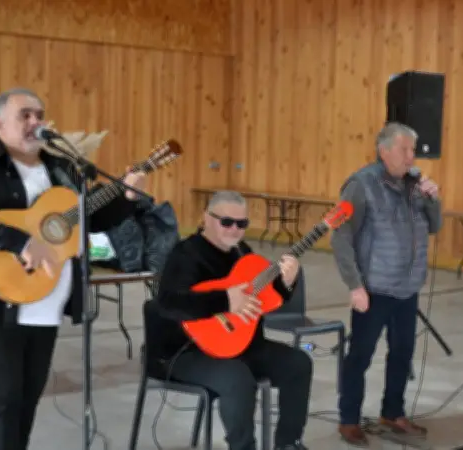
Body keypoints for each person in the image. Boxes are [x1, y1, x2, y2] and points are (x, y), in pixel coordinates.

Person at [0, 87, 147, 450]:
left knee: (26, 399)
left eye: (39, 114)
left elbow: (89, 218)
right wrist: (20, 241)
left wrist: (127, 197)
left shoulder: (62, 168)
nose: (35, 121)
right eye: (25, 115)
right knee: (1, 400)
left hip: (47, 304)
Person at [153, 190, 313, 450]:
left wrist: (286, 284)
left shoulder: (243, 253)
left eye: (242, 224)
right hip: (187, 351)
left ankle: (288, 443)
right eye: (226, 222)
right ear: (206, 218)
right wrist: (225, 301)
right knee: (237, 378)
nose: (234, 230)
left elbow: (268, 300)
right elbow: (169, 303)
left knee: (298, 363)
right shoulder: (185, 255)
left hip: (242, 345)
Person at [330, 122, 443, 447]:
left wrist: (433, 198)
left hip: (407, 287)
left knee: (403, 352)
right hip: (373, 288)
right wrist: (354, 285)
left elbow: (434, 226)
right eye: (405, 150)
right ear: (385, 151)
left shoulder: (415, 183)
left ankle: (392, 412)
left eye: (413, 150)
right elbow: (340, 236)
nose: (412, 157)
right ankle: (348, 419)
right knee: (361, 356)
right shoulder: (360, 185)